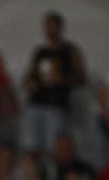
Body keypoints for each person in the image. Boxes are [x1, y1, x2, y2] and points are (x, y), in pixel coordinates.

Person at [21, 11, 87, 155]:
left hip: (56, 105)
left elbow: (82, 77)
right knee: (31, 146)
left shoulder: (70, 50)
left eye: (52, 26)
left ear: (60, 28)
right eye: (47, 26)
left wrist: (62, 79)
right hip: (36, 103)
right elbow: (28, 76)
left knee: (54, 146)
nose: (49, 30)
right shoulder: (39, 51)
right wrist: (29, 83)